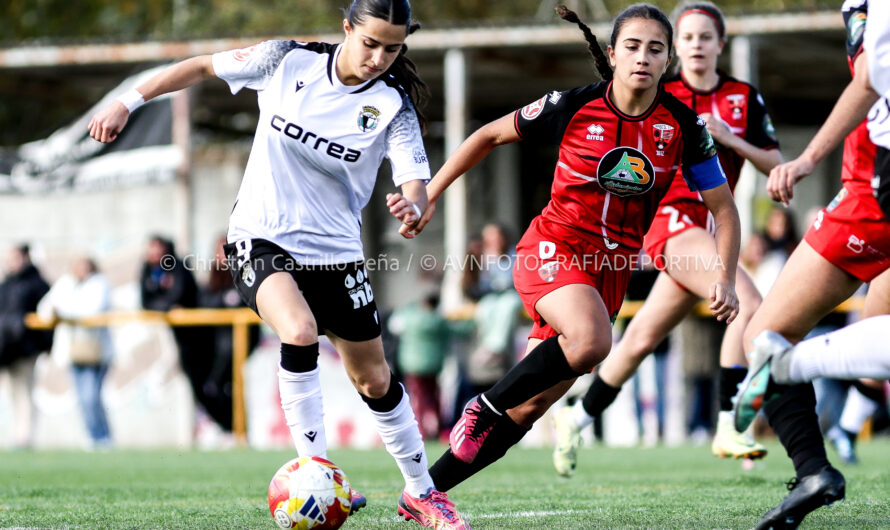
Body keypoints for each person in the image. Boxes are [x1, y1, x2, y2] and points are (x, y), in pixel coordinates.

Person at [87, 1, 471, 527]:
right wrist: (128, 102)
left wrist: (414, 204)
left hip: (336, 254)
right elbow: (199, 66)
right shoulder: (286, 61)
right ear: (346, 29)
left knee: (375, 380)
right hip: (259, 238)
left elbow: (415, 183)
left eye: (393, 48)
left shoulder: (392, 105)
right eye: (370, 43)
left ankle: (422, 492)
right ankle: (314, 470)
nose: (380, 57)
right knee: (299, 329)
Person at [398, 4, 739, 492]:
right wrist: (428, 194)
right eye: (632, 46)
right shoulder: (573, 105)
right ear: (612, 54)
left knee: (532, 406)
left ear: (668, 62)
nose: (643, 57)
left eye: (655, 49)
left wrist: (723, 276)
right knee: (592, 343)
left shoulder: (684, 128)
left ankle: (424, 494)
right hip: (553, 248)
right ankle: (483, 406)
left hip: (612, 271)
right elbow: (488, 135)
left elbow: (725, 212)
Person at [550, 1, 783, 475]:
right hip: (674, 223)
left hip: (713, 231)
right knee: (750, 304)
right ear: (677, 50)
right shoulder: (661, 92)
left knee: (639, 339)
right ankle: (727, 426)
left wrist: (731, 140)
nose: (697, 45)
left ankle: (577, 416)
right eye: (689, 37)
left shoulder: (743, 97)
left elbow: (775, 166)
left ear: (721, 44)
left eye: (705, 37)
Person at [730, 1, 890, 527]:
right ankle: (816, 465)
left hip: (875, 190)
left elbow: (870, 77)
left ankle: (809, 448)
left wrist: (805, 159)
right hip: (870, 185)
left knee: (765, 336)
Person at [37, 256, 114, 449]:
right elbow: (45, 308)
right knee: (82, 398)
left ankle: (103, 436)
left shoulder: (99, 284)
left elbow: (90, 310)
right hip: (72, 351)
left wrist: (62, 310)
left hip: (96, 351)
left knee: (91, 397)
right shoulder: (65, 284)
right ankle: (94, 436)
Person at [198, 235, 261, 436]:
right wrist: (225, 299)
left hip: (240, 344)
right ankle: (230, 429)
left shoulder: (245, 271)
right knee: (212, 388)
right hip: (217, 346)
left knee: (227, 386)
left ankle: (237, 431)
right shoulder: (214, 276)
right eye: (219, 250)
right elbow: (206, 301)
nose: (222, 255)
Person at [0, 244, 51, 449]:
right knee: (13, 392)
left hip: (27, 347)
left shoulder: (37, 283)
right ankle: (18, 434)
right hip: (6, 348)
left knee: (25, 391)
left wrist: (46, 345)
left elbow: (46, 317)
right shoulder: (6, 284)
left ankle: (25, 436)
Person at [388, 292, 451, 439]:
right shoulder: (439, 321)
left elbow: (393, 326)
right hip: (434, 365)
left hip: (412, 365)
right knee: (435, 398)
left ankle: (421, 430)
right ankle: (438, 429)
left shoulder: (408, 318)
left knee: (418, 399)